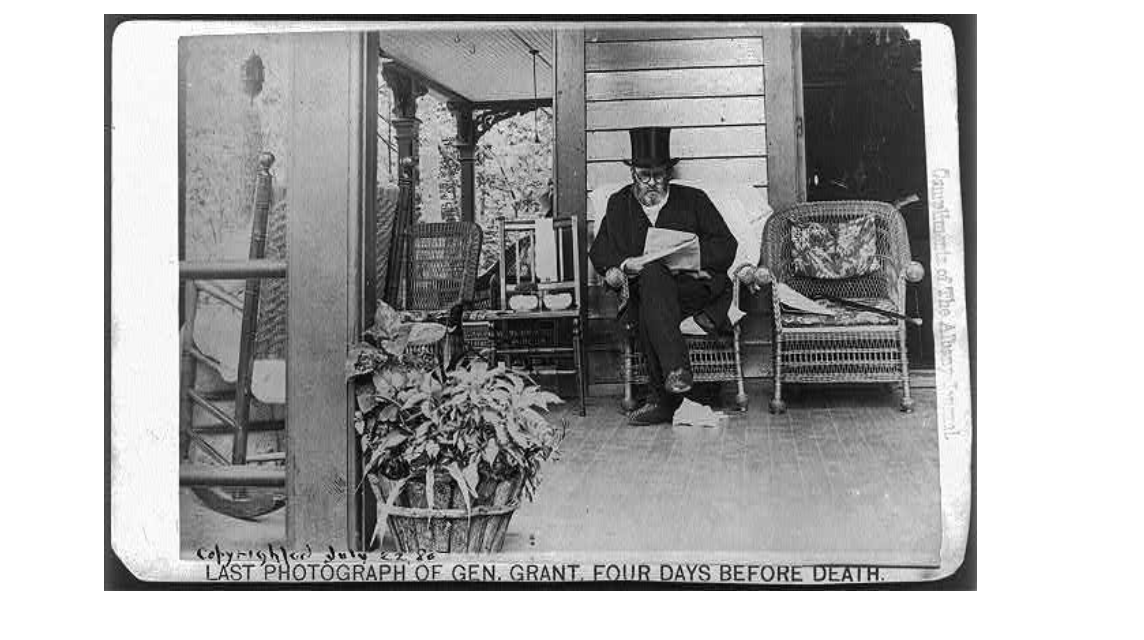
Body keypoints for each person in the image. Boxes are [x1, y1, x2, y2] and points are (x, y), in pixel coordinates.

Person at [589, 127, 738, 426]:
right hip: (647, 292)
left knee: (653, 294)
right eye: (644, 176)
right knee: (652, 280)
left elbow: (726, 245)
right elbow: (600, 251)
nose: (652, 183)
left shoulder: (694, 199)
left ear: (668, 173)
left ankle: (661, 399)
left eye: (658, 175)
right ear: (633, 174)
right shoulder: (619, 205)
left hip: (693, 290)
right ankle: (674, 379)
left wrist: (691, 257)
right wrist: (618, 267)